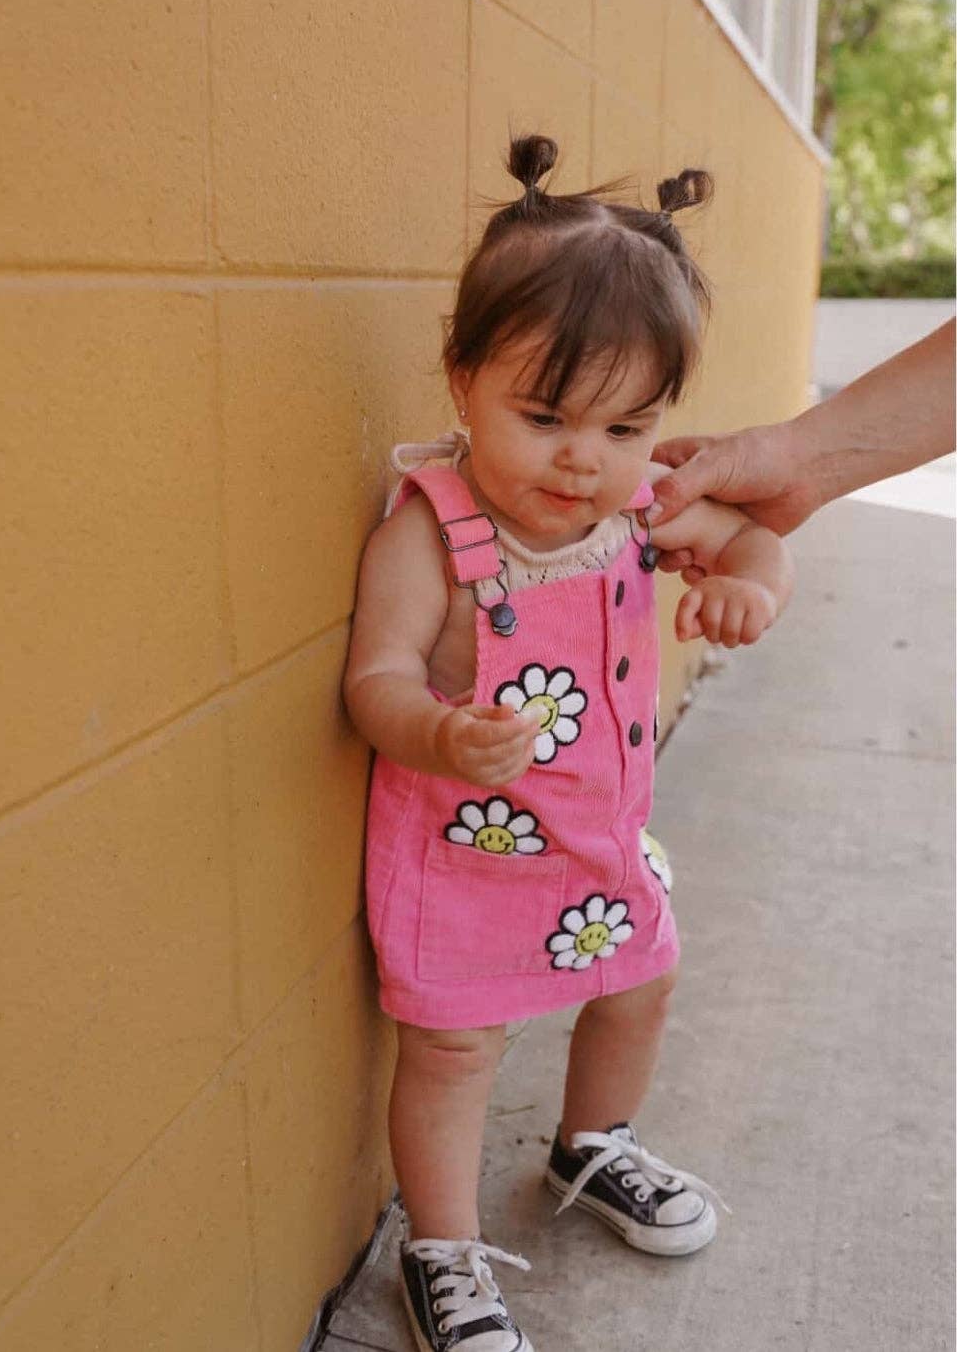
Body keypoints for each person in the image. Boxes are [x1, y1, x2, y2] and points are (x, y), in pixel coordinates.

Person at [342, 134, 794, 1352]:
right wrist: (434, 728)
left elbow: (756, 539)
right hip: (464, 854)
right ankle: (440, 1248)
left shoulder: (633, 509)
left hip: (599, 838)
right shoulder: (429, 534)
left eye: (627, 426)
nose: (583, 459)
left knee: (641, 981)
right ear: (461, 377)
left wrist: (753, 585)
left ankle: (592, 1146)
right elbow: (373, 680)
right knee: (451, 1048)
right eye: (542, 417)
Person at [647, 318, 955, 580]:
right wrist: (802, 463)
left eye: (622, 430)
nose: (597, 462)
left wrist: (752, 591)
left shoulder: (640, 489)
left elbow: (744, 540)